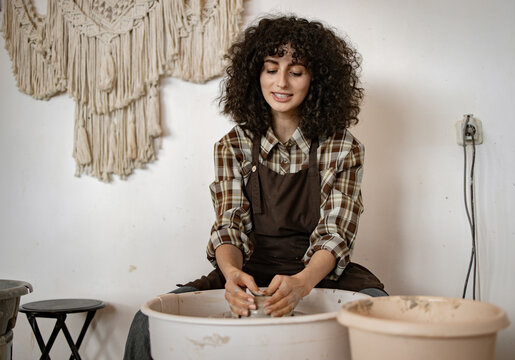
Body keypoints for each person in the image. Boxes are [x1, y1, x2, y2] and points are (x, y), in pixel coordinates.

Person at [124, 14, 385, 359]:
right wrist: (231, 274)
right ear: (255, 75)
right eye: (271, 68)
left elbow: (335, 234)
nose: (282, 83)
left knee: (381, 312)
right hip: (248, 269)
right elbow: (228, 227)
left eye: (296, 71)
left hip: (316, 271)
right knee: (145, 322)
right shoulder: (232, 145)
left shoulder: (342, 147)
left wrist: (303, 283)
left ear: (316, 79)